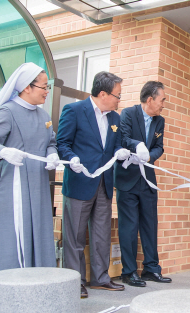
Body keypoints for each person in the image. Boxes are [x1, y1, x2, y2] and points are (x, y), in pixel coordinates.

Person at [0, 62, 60, 273]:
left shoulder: (44, 116)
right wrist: (3, 151)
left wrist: (52, 153)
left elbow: (51, 141)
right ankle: (13, 281)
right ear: (26, 87)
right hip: (13, 184)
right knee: (15, 231)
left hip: (38, 183)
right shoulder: (8, 111)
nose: (46, 92)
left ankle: (39, 278)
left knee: (39, 229)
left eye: (47, 87)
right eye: (43, 87)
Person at [57, 71, 131, 298]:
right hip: (79, 182)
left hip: (104, 184)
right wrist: (72, 159)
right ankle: (74, 281)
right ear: (102, 93)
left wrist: (121, 151)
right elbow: (62, 143)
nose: (120, 100)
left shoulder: (115, 119)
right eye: (117, 95)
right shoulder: (74, 110)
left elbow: (116, 144)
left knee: (101, 234)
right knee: (75, 236)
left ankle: (100, 278)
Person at [114, 81, 171, 287]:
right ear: (150, 99)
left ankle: (151, 269)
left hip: (147, 181)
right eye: (162, 99)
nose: (163, 104)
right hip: (127, 180)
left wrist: (148, 157)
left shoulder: (160, 121)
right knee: (128, 227)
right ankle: (128, 272)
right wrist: (138, 146)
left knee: (150, 225)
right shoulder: (128, 114)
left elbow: (159, 147)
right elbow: (123, 138)